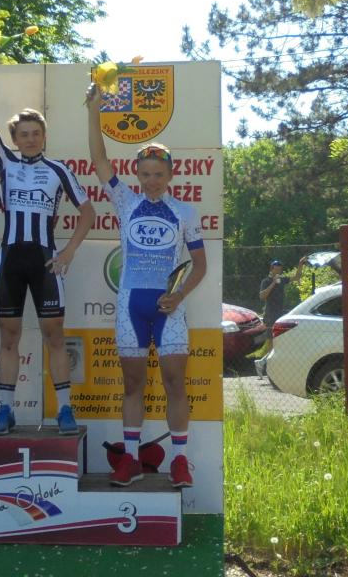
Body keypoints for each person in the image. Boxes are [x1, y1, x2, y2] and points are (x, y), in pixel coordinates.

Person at [86, 83, 206, 488]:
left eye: (159, 174)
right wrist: (94, 111)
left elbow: (200, 266)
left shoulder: (185, 211)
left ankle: (180, 462)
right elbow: (99, 159)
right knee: (133, 384)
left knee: (175, 383)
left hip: (170, 308)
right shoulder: (125, 202)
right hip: (130, 307)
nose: (152, 181)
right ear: (136, 174)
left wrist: (179, 295)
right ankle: (132, 459)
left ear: (171, 175)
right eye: (146, 174)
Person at [0, 58, 96, 436]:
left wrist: (68, 252)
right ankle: (5, 411)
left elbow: (88, 212)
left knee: (54, 336)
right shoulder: (6, 161)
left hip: (45, 261)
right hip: (10, 259)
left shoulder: (59, 170)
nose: (30, 139)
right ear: (15, 138)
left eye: (36, 133)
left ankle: (65, 411)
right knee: (8, 337)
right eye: (23, 134)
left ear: (44, 136)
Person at [255, 256, 306, 356]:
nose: (278, 271)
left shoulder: (282, 280)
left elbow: (297, 277)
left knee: (279, 338)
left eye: (280, 269)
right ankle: (268, 359)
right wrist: (274, 283)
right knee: (270, 339)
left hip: (280, 313)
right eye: (276, 269)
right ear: (271, 269)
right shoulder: (266, 281)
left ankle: (276, 357)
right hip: (270, 314)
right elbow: (262, 296)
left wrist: (300, 264)